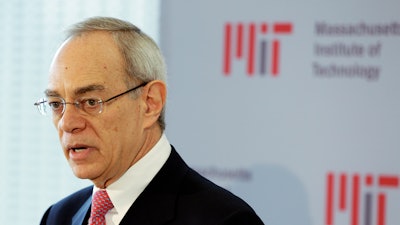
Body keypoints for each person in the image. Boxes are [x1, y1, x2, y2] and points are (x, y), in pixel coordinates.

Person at [36, 16, 264, 225]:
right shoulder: (58, 217)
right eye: (56, 104)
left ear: (150, 103)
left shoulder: (225, 221)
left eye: (90, 102)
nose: (68, 123)